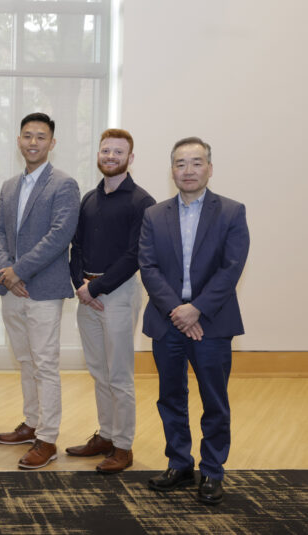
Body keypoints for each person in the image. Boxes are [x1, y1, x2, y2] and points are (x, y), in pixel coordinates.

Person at [139, 137, 249, 504]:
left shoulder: (232, 212)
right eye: (180, 163)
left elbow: (231, 269)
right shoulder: (154, 215)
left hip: (212, 323)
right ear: (172, 170)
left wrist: (196, 309)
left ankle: (213, 472)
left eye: (196, 162)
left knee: (214, 400)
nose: (188, 170)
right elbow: (149, 267)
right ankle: (180, 463)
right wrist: (178, 310)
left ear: (210, 168)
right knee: (170, 398)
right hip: (166, 320)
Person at [0, 112, 80, 469]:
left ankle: (48, 438)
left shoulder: (64, 184)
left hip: (43, 288)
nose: (33, 142)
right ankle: (30, 424)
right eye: (27, 136)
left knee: (44, 363)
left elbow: (60, 236)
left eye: (41, 137)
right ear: (18, 141)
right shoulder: (10, 185)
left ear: (52, 143)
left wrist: (19, 270)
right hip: (11, 289)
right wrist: (5, 272)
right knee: (25, 360)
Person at [66, 129, 155, 473]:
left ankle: (123, 446)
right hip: (86, 295)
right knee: (99, 372)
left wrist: (97, 287)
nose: (111, 156)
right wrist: (80, 285)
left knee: (119, 375)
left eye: (119, 152)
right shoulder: (90, 198)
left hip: (117, 293)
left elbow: (135, 255)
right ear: (99, 154)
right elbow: (77, 247)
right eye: (106, 150)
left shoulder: (141, 202)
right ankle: (105, 435)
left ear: (130, 158)